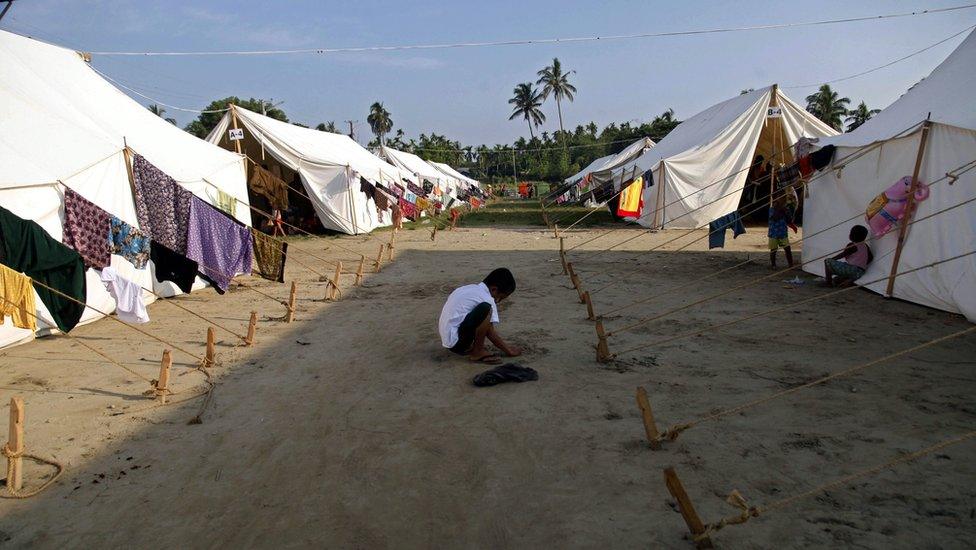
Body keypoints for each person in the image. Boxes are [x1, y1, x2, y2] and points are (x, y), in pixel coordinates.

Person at [438, 268, 521, 363]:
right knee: (486, 308)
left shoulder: (467, 288)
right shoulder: (487, 299)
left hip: (447, 339)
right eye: (499, 298)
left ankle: (472, 347)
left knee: (481, 310)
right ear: (494, 289)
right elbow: (490, 331)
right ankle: (477, 352)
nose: (497, 301)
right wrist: (508, 350)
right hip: (457, 344)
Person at [768, 194, 794, 269]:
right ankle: (773, 265)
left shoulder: (785, 209)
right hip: (773, 233)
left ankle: (791, 264)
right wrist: (780, 210)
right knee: (773, 250)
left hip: (782, 232)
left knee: (787, 248)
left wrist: (786, 211)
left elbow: (789, 220)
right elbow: (774, 218)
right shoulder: (772, 209)